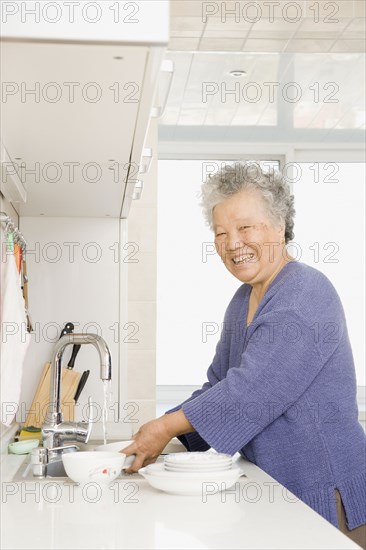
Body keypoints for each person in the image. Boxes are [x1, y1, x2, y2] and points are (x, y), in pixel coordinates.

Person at [122, 162, 366, 548]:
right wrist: (157, 433)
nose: (232, 243)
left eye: (245, 227)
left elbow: (250, 392)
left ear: (280, 225)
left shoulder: (304, 294)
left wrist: (164, 430)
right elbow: (218, 385)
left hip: (325, 492)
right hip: (281, 490)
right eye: (221, 232)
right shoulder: (243, 301)